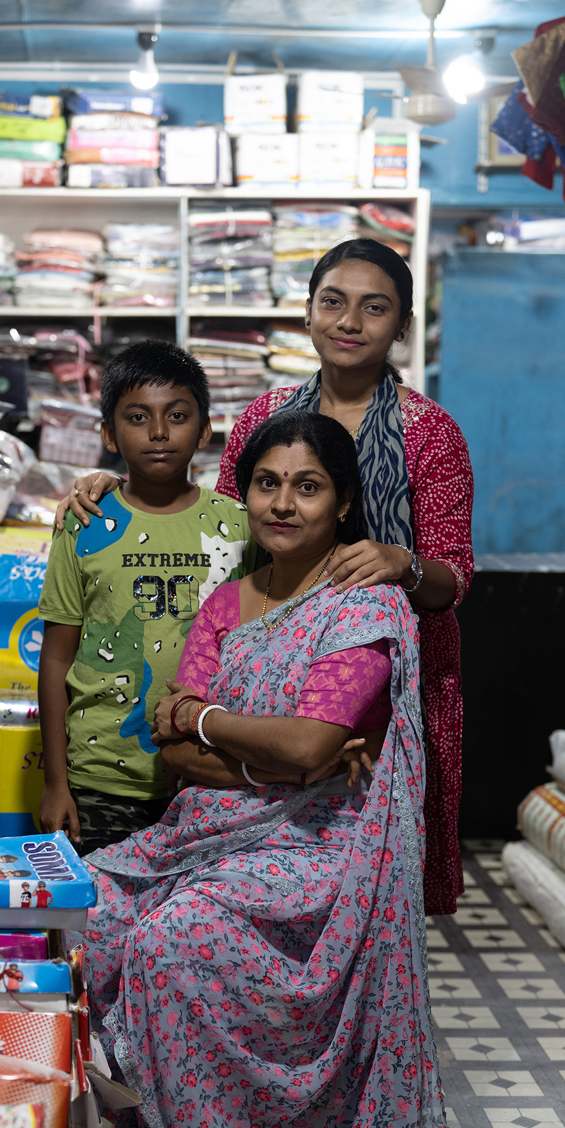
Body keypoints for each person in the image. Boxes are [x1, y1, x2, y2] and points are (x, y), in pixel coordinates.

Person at [81, 411, 481, 1128]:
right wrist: (267, 758)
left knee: (172, 940)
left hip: (320, 849)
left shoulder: (366, 605)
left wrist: (217, 722)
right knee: (93, 906)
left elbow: (300, 741)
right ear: (246, 492)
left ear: (342, 506)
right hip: (210, 830)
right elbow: (185, 751)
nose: (285, 503)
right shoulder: (227, 604)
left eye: (309, 487)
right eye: (269, 483)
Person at [57, 240, 474, 915]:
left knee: (373, 878)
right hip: (268, 660)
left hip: (387, 672)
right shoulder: (265, 416)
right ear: (306, 315)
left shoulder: (431, 434)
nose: (349, 321)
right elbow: (223, 524)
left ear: (402, 325)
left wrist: (402, 563)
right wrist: (120, 487)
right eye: (332, 302)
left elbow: (456, 578)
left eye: (375, 308)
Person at [37, 341, 256, 855]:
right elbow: (55, 658)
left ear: (204, 428)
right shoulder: (85, 523)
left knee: (191, 927)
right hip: (99, 778)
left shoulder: (241, 525)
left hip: (212, 771)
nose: (159, 432)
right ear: (109, 435)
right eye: (138, 417)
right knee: (93, 928)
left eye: (177, 416)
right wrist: (55, 783)